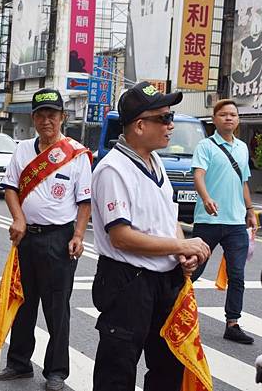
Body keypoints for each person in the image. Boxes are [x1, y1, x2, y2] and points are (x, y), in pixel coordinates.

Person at [90, 81, 211, 390]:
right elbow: (121, 237)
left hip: (164, 280)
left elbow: (167, 218)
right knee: (117, 371)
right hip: (128, 281)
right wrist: (181, 244)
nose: (170, 125)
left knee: (168, 366)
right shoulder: (113, 169)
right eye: (164, 118)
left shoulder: (155, 161)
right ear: (140, 125)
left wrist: (180, 253)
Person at [0, 88, 92, 391]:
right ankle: (19, 363)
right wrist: (18, 217)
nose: (46, 120)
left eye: (52, 114)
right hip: (26, 237)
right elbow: (10, 187)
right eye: (41, 115)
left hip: (59, 240)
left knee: (57, 307)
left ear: (62, 117)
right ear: (33, 118)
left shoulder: (76, 154)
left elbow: (85, 201)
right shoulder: (22, 149)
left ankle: (56, 372)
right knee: (23, 302)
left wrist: (77, 234)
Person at [191, 99, 258, 344]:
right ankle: (170, 311)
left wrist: (250, 210)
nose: (229, 118)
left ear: (238, 119)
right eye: (224, 114)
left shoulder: (241, 147)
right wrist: (206, 198)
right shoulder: (205, 146)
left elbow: (243, 182)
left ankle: (233, 323)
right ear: (215, 119)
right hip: (208, 220)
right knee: (192, 271)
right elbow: (198, 174)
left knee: (237, 275)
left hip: (235, 223)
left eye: (233, 114)